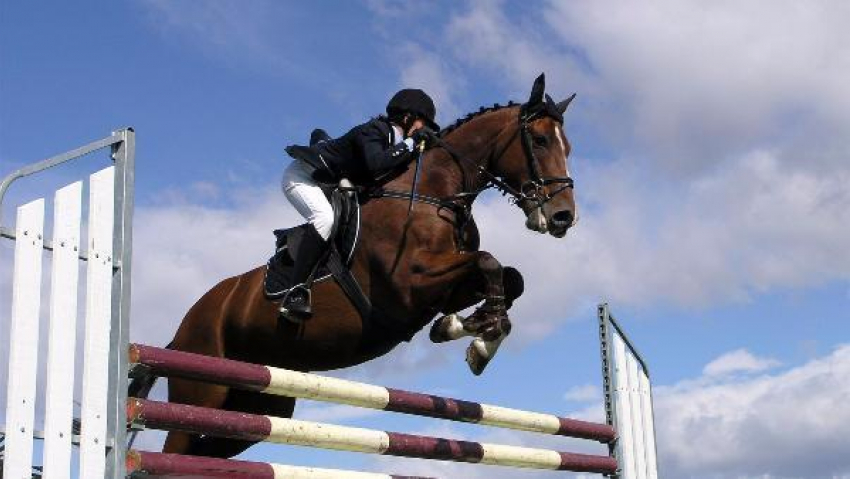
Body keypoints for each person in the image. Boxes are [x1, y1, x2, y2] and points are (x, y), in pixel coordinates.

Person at [280, 88, 440, 320]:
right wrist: (412, 142)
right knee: (324, 218)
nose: (423, 129)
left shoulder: (397, 142)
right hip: (303, 177)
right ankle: (295, 292)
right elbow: (376, 164)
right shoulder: (375, 130)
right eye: (421, 123)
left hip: (333, 180)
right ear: (406, 118)